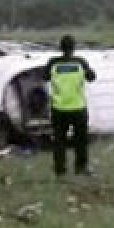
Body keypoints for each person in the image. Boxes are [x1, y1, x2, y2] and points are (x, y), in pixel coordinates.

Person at [42, 35, 97, 177]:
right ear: (74, 47)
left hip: (58, 108)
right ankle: (81, 167)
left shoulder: (53, 63)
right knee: (81, 140)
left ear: (60, 47)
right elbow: (92, 77)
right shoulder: (80, 62)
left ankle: (60, 170)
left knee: (59, 141)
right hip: (78, 108)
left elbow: (44, 77)